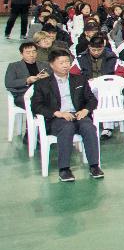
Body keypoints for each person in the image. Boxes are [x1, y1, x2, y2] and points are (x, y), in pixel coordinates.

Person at [30, 49, 103, 182]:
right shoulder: (43, 83)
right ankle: (64, 169)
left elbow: (92, 99)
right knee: (67, 128)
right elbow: (36, 106)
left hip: (78, 115)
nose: (65, 65)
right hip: (57, 118)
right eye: (61, 62)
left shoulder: (79, 79)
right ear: (51, 65)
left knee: (89, 127)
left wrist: (86, 110)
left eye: (67, 62)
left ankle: (94, 166)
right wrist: (57, 113)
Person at [6, 40, 47, 110]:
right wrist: (27, 80)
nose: (31, 54)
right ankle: (34, 120)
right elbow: (9, 83)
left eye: (34, 51)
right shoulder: (14, 66)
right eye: (28, 52)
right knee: (37, 104)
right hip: (23, 94)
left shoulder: (44, 65)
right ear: (21, 54)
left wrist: (48, 77)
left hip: (43, 93)